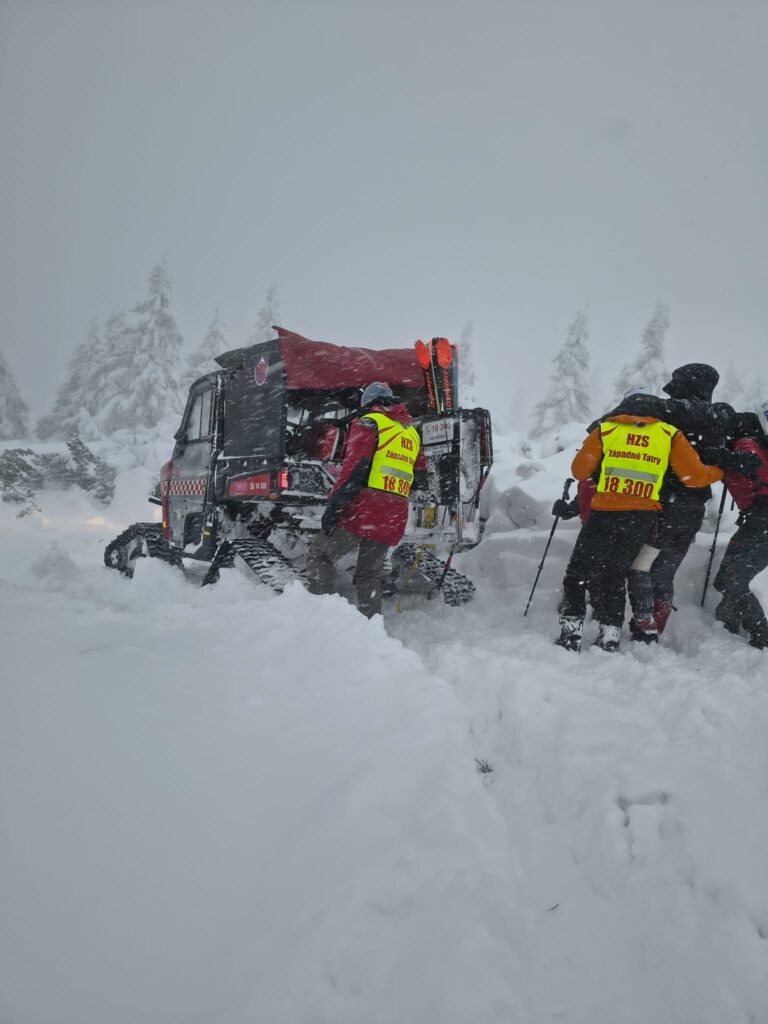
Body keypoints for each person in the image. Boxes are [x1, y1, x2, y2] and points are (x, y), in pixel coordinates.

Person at [595, 365, 759, 636]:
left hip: (664, 507)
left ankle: (645, 624)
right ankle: (656, 622)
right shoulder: (722, 415)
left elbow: (628, 410)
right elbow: (752, 428)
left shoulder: (668, 411)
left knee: (641, 565)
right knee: (665, 571)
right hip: (694, 511)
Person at [560, 409, 723, 652]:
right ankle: (610, 636)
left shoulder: (607, 429)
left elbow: (579, 471)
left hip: (606, 512)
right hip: (641, 518)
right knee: (615, 574)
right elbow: (695, 477)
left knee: (578, 572)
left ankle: (571, 634)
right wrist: (721, 470)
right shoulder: (669, 434)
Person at [305, 381, 423, 618]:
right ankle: (370, 630)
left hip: (366, 509)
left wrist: (335, 506)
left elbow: (354, 469)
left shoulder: (369, 422)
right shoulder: (410, 432)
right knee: (369, 574)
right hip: (394, 514)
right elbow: (419, 477)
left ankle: (320, 619)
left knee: (321, 554)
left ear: (368, 403)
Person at [712, 404, 768, 649]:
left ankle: (760, 635)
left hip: (763, 522)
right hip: (757, 521)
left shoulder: (744, 443)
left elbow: (750, 463)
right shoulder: (749, 439)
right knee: (726, 579)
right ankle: (726, 624)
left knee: (732, 580)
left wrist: (716, 455)